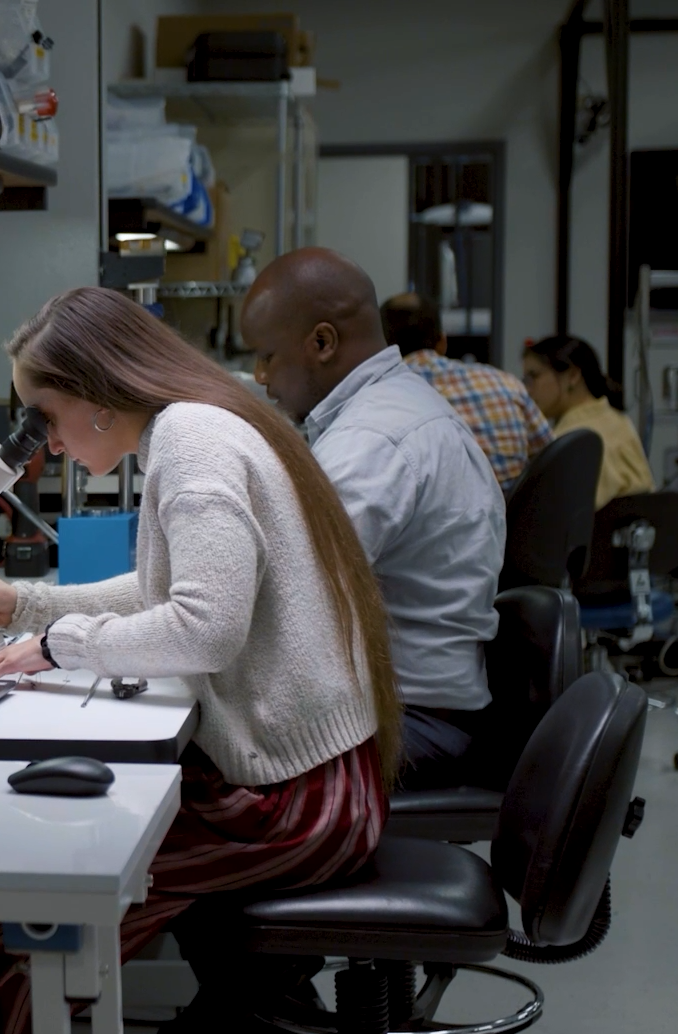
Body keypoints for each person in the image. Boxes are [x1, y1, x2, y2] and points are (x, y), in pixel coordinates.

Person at [0, 285, 401, 1034]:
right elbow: (172, 589)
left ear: (96, 393)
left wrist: (57, 644)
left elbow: (205, 625)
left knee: (0, 915)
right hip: (307, 781)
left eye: (43, 417)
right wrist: (24, 604)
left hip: (298, 805)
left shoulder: (192, 439)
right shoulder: (195, 425)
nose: (43, 445)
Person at [241, 248, 506, 788]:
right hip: (423, 707)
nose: (259, 375)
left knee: (184, 783)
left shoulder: (372, 442)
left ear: (322, 342)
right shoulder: (390, 410)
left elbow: (282, 599)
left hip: (411, 724)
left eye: (268, 355)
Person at [380, 291, 553, 494]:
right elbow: (551, 457)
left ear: (382, 348)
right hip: (518, 521)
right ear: (442, 342)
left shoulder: (379, 400)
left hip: (443, 522)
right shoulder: (506, 383)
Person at [520, 334, 654, 509]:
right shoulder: (616, 421)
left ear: (573, 375)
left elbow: (556, 520)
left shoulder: (575, 439)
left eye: (534, 376)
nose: (526, 389)